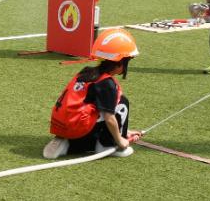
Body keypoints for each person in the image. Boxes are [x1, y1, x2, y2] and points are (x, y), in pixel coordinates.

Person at [43, 28, 143, 160]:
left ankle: (67, 144)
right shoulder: (107, 83)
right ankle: (108, 145)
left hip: (63, 124)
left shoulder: (86, 71)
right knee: (122, 103)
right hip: (77, 124)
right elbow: (109, 117)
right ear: (120, 62)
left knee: (99, 108)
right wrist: (120, 139)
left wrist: (126, 131)